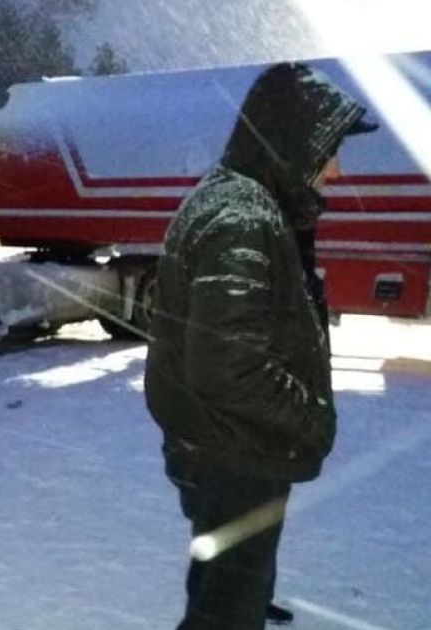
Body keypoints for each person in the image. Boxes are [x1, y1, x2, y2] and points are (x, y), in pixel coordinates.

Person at [144, 62, 378, 629]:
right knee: (225, 611)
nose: (336, 168)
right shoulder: (241, 218)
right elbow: (226, 366)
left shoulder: (245, 202)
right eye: (327, 149)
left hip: (221, 446)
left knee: (222, 592)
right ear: (289, 141)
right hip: (234, 455)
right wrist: (310, 418)